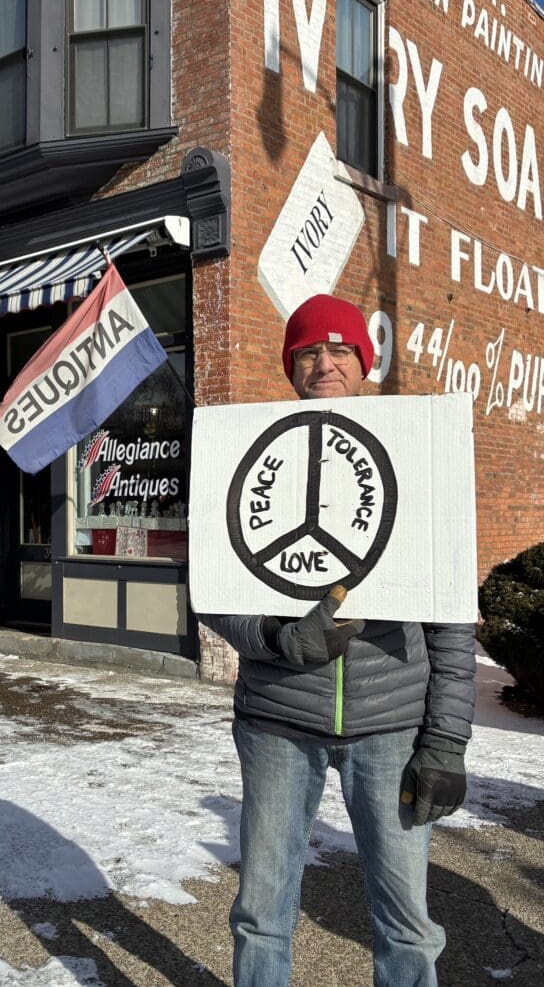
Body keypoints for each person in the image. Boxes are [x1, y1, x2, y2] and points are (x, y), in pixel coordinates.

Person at [200, 294, 477, 987]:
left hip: (391, 725)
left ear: (365, 360)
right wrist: (274, 637)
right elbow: (211, 585)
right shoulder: (255, 445)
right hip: (277, 718)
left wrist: (445, 741)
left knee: (407, 921)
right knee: (261, 907)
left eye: (339, 349)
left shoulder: (416, 453)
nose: (324, 363)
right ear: (291, 366)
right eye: (308, 352)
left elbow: (450, 620)